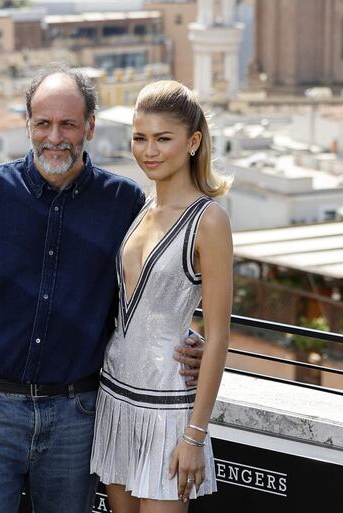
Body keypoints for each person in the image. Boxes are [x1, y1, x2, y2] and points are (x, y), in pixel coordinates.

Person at [0, 65, 204, 513]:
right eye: (44, 123)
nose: (55, 137)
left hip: (77, 418)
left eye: (68, 124)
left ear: (90, 126)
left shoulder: (124, 203)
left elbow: (145, 297)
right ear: (28, 124)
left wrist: (187, 338)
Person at [90, 80, 234, 512]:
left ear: (193, 142)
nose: (149, 151)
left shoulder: (209, 221)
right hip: (115, 397)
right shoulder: (140, 208)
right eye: (140, 138)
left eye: (163, 139)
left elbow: (220, 335)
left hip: (169, 410)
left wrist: (195, 436)